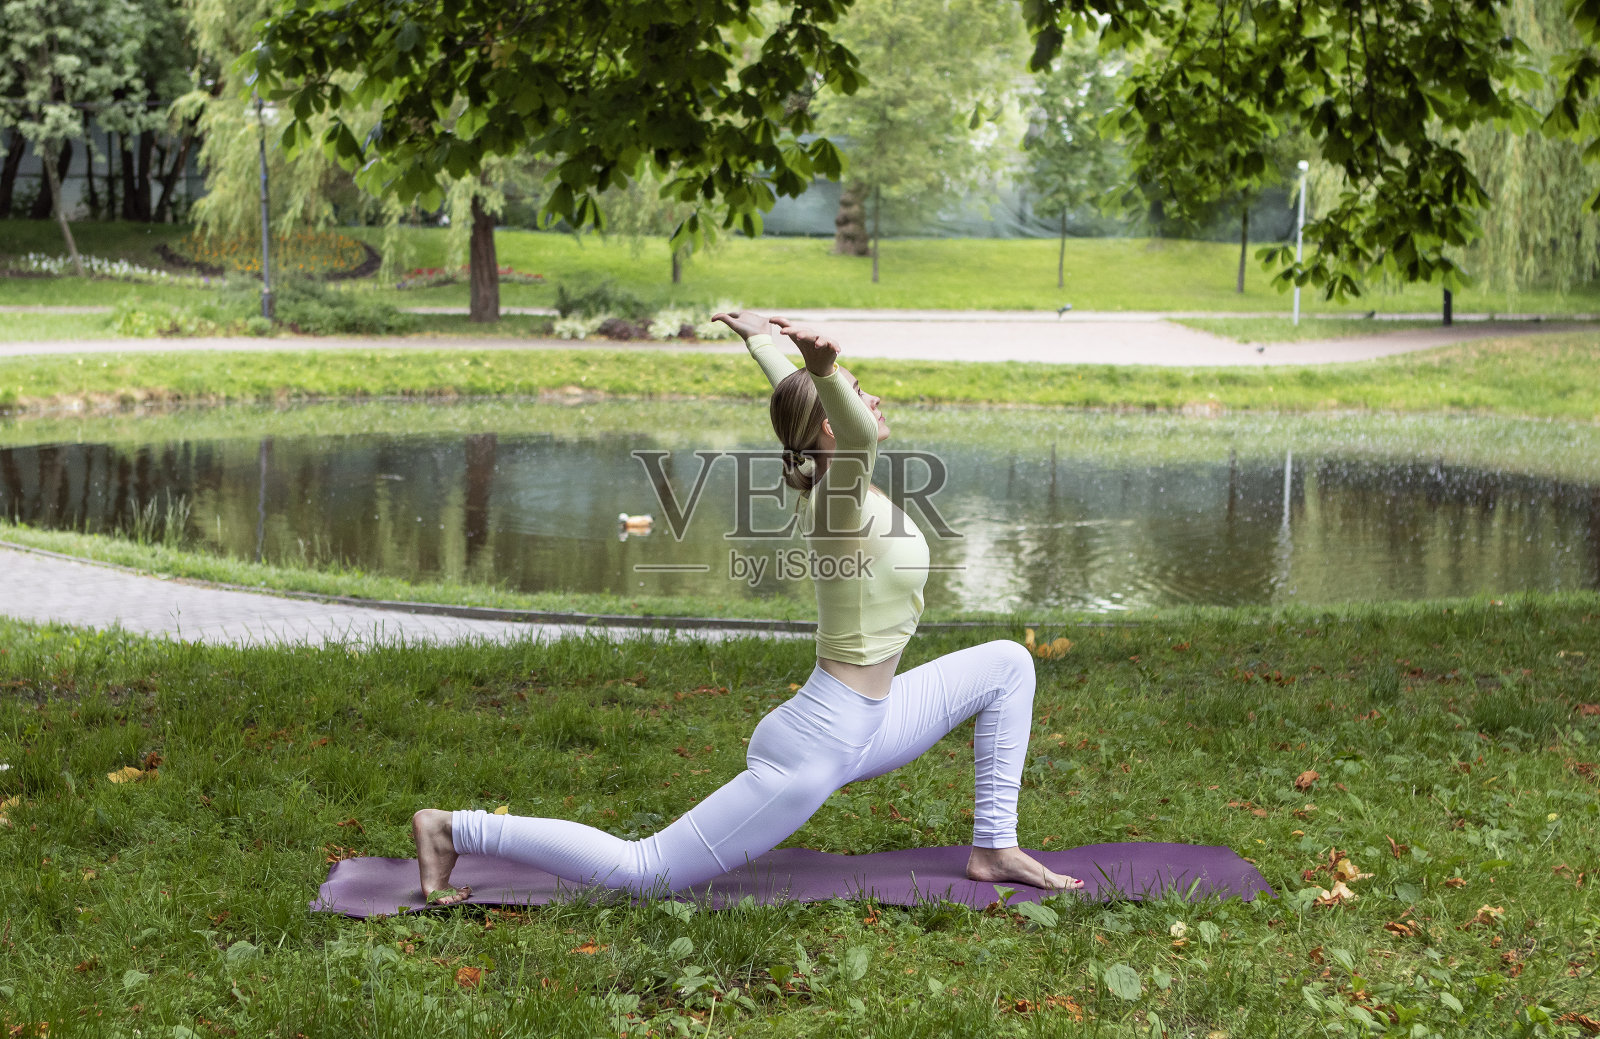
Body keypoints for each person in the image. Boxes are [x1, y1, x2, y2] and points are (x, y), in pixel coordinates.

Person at [411, 312, 1081, 902]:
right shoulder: (837, 500)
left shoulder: (844, 480)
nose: (872, 398)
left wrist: (764, 343)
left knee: (1007, 663)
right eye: (857, 392)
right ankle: (453, 828)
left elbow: (808, 408)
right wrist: (823, 370)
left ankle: (995, 848)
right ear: (831, 424)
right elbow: (850, 430)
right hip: (820, 742)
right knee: (645, 870)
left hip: (873, 722)